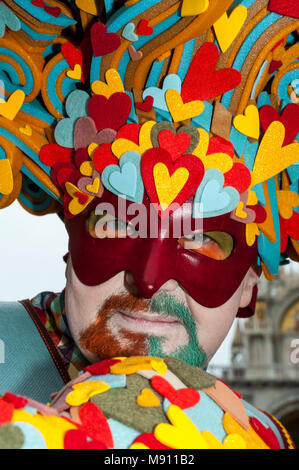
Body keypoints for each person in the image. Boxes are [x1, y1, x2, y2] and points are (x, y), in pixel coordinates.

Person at [0, 0, 298, 449]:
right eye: (118, 225)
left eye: (200, 239)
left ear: (248, 289)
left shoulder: (264, 436)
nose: (150, 281)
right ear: (70, 247)